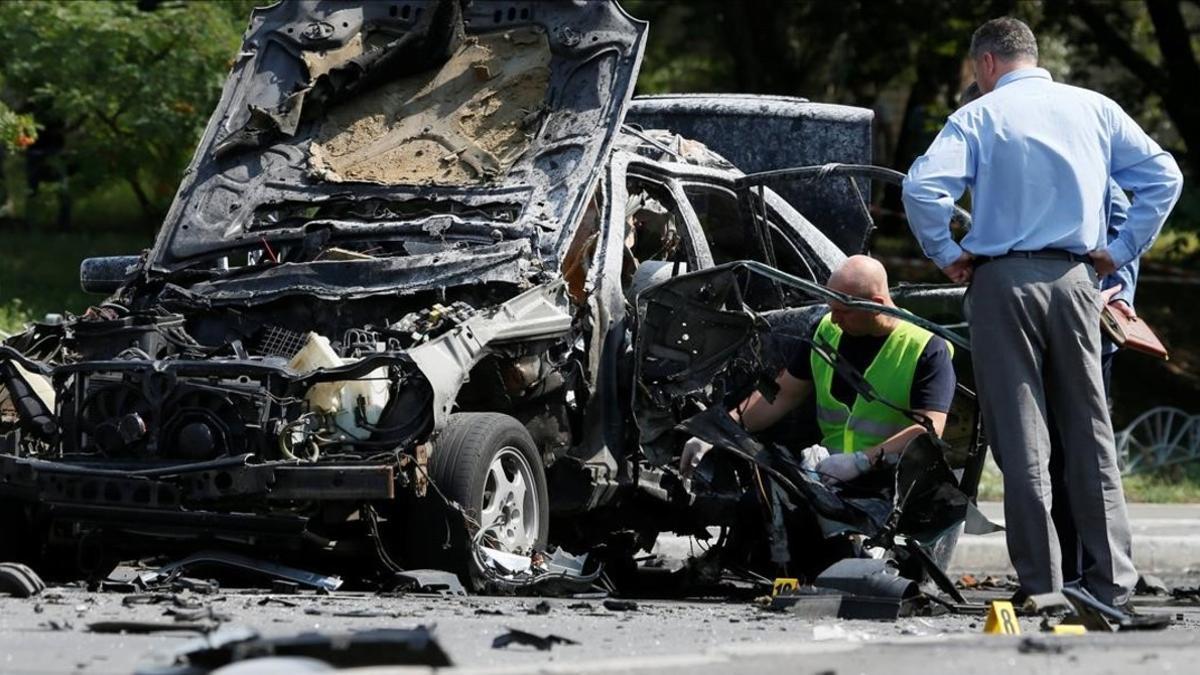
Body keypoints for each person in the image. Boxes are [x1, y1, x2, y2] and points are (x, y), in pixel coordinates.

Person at [902, 17, 1182, 608]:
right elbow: (1164, 175)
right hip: (1079, 279)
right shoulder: (1096, 108)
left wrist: (948, 255)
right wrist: (1121, 249)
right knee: (1092, 434)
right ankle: (1111, 585)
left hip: (1003, 283)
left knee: (1024, 441)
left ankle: (1044, 587)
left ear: (986, 65)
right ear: (1033, 55)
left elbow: (923, 189)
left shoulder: (977, 117)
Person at [680, 255, 957, 483]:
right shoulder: (825, 332)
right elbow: (780, 395)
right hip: (827, 479)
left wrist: (862, 462)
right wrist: (718, 432)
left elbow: (928, 431)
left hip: (891, 485)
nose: (834, 319)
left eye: (843, 311)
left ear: (876, 306)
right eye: (831, 308)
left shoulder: (926, 348)